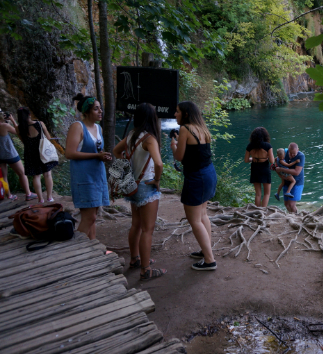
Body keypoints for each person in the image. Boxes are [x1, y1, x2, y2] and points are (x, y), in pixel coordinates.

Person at [113, 103, 166, 280]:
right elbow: (159, 163)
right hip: (146, 186)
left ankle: (135, 259)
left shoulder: (131, 136)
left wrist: (127, 165)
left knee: (136, 225)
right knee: (148, 230)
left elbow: (115, 151)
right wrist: (157, 180)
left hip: (132, 186)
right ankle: (145, 269)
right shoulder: (149, 139)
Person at [170, 101, 218, 271]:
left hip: (197, 177)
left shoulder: (185, 129)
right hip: (209, 173)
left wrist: (174, 146)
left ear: (186, 114)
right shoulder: (202, 128)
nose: (175, 114)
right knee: (203, 214)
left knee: (194, 219)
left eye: (177, 112)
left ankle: (209, 260)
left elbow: (180, 156)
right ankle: (207, 251)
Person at [65, 94, 111, 239]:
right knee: (89, 217)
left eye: (100, 108)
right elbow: (69, 153)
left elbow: (96, 151)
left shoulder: (98, 128)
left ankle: (93, 247)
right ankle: (76, 250)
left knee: (93, 216)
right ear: (86, 111)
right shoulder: (77, 127)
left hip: (98, 175)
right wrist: (96, 156)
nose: (100, 111)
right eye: (96, 109)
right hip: (84, 177)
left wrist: (102, 155)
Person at [16, 107, 58, 202]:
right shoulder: (40, 124)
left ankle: (40, 199)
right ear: (29, 115)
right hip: (42, 151)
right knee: (47, 174)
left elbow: (24, 142)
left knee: (36, 176)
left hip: (30, 153)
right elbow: (48, 137)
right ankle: (50, 197)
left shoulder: (19, 128)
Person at [0, 111, 34, 200]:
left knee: (3, 177)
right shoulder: (4, 126)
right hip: (10, 154)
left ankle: (9, 196)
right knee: (22, 173)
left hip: (0, 156)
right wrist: (12, 120)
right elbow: (18, 131)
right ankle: (28, 194)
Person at [244, 127, 275, 207]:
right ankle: (263, 211)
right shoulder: (268, 146)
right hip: (264, 168)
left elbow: (246, 160)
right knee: (267, 193)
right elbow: (272, 161)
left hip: (255, 168)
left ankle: (257, 211)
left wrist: (253, 158)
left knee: (258, 194)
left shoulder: (250, 146)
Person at [275, 142, 305, 213]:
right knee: (286, 204)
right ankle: (292, 216)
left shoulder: (301, 156)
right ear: (288, 150)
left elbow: (296, 172)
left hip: (297, 182)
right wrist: (279, 174)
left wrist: (281, 169)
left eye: (294, 153)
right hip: (286, 181)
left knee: (291, 204)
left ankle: (295, 217)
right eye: (290, 153)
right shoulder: (284, 152)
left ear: (298, 150)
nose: (292, 155)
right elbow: (276, 159)